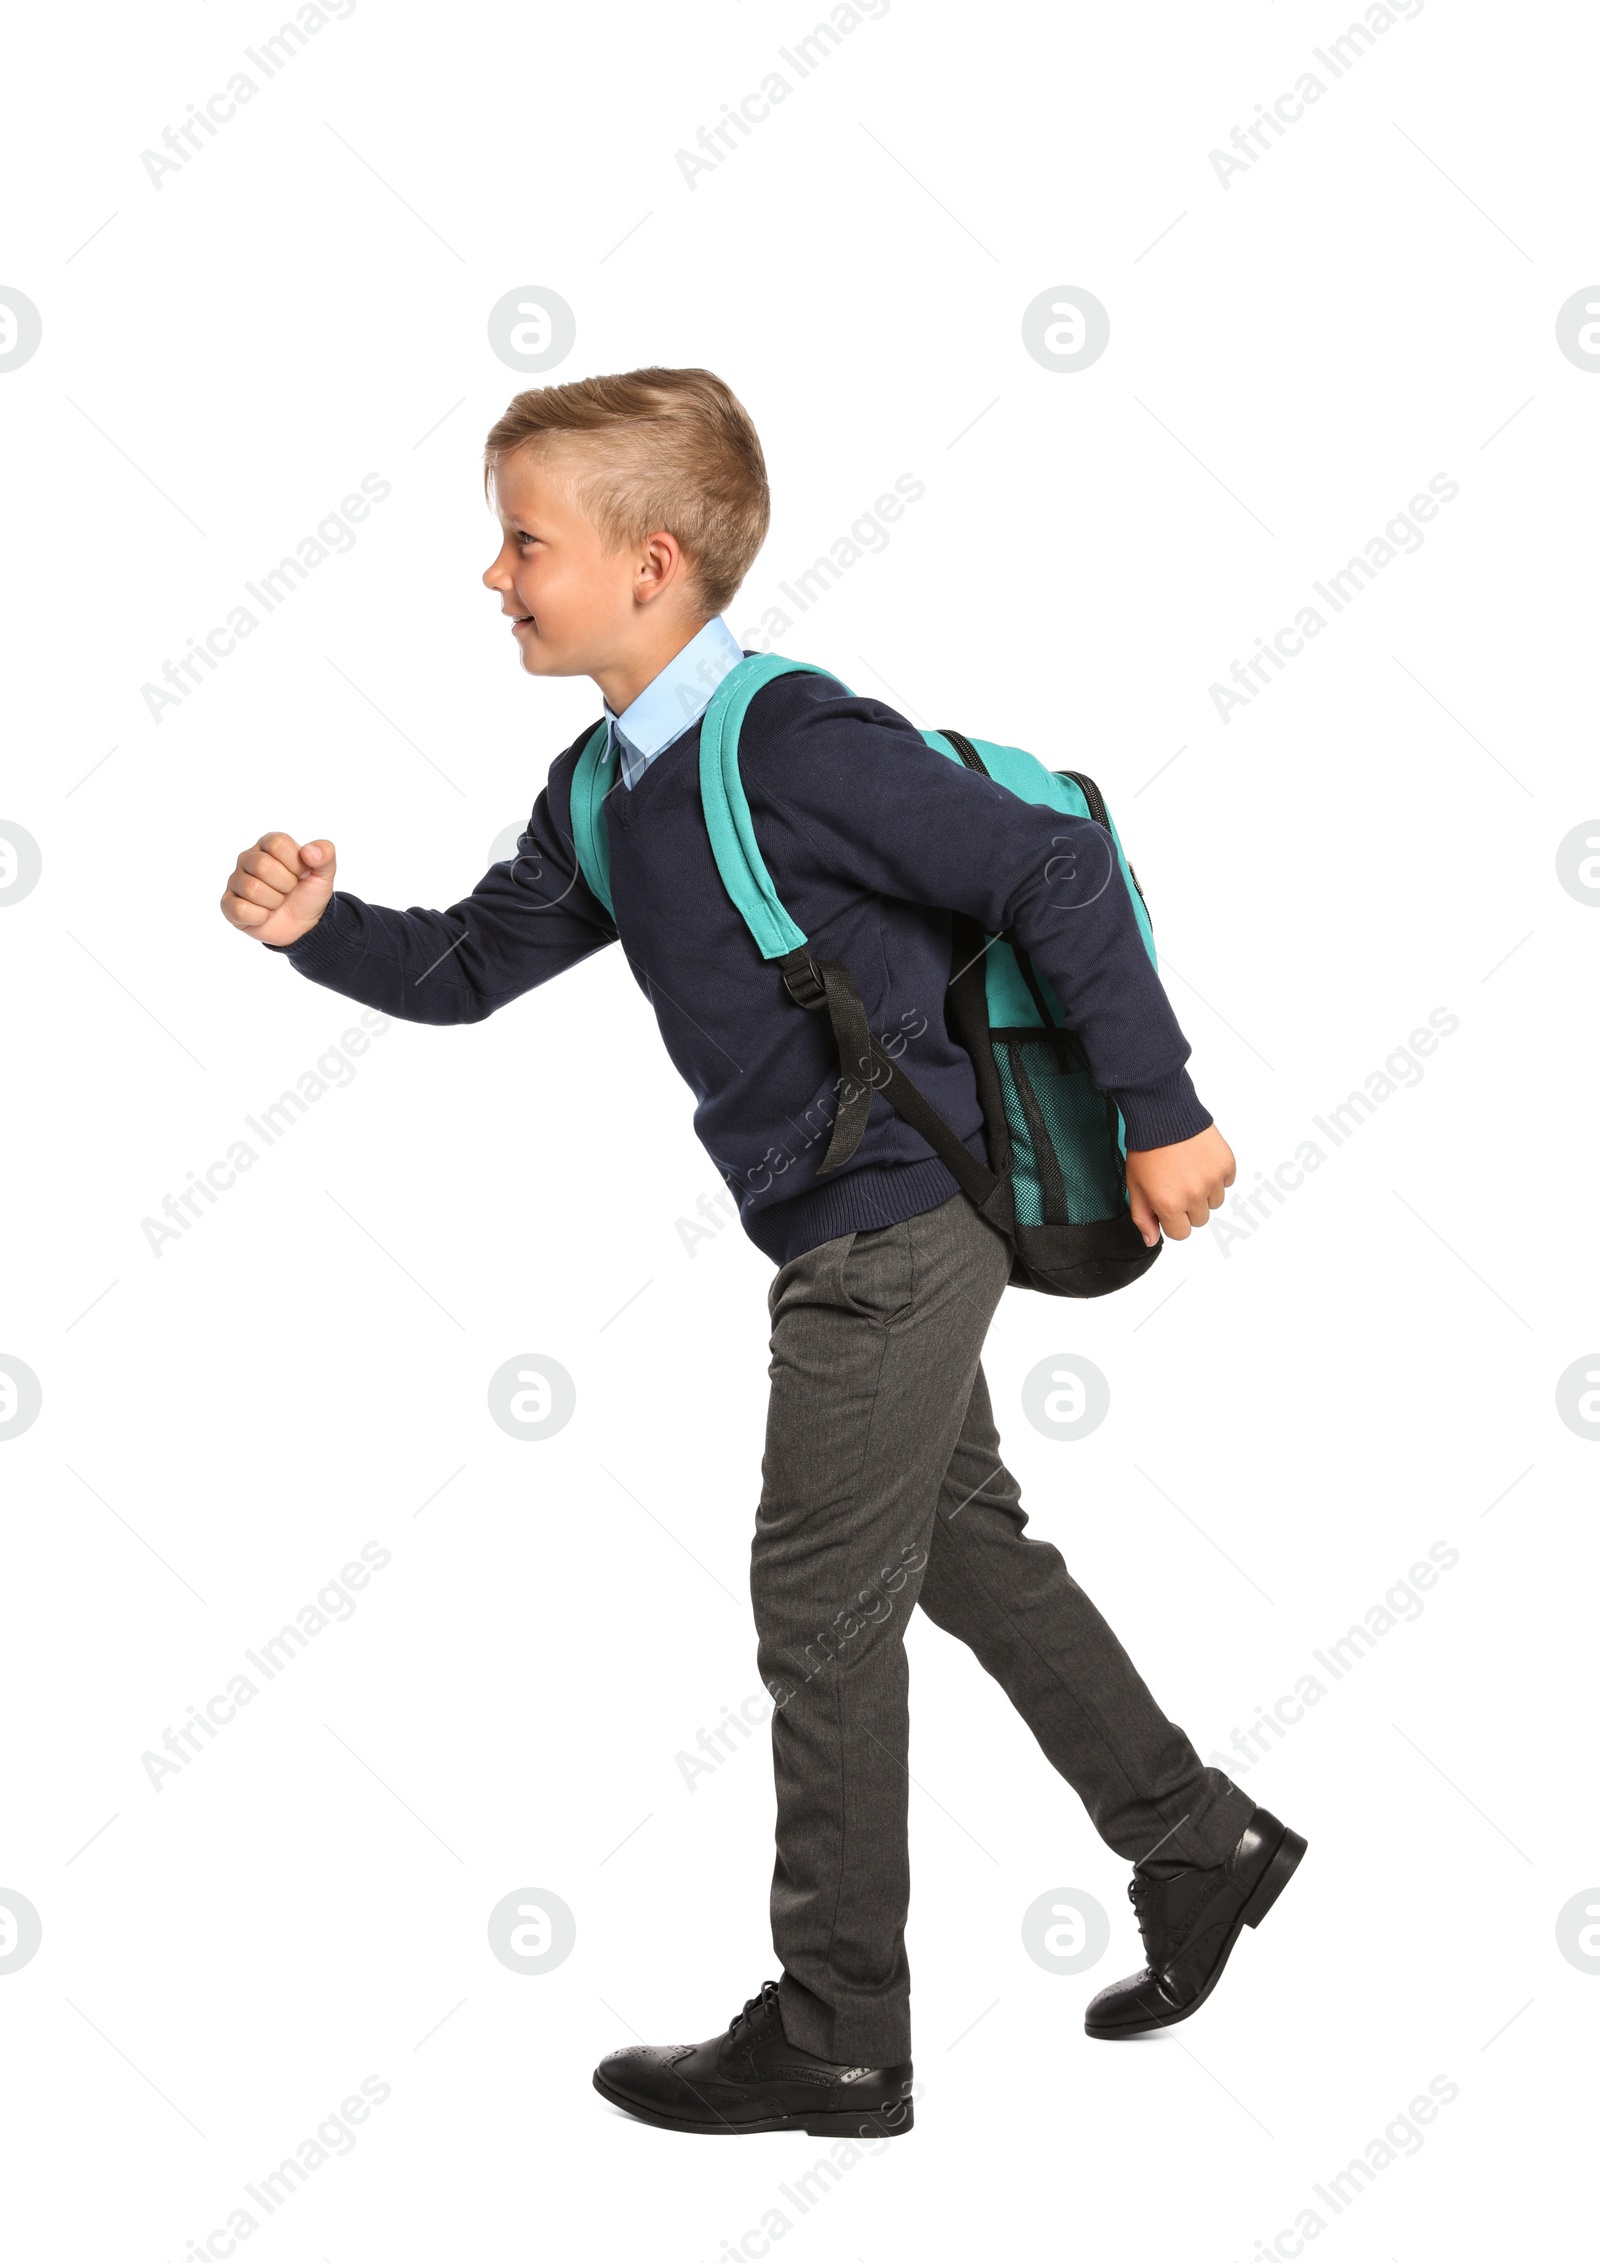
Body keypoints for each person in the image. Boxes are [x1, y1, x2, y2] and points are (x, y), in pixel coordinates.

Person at [219, 365, 1305, 2140]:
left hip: (893, 1221)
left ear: (650, 564)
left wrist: (1163, 1113)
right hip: (840, 1220)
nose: (494, 579)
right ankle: (1201, 1841)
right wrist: (317, 929)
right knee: (958, 1548)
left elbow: (1052, 876)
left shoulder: (792, 745)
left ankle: (841, 2032)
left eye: (522, 544)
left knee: (818, 1610)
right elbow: (466, 973)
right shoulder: (603, 788)